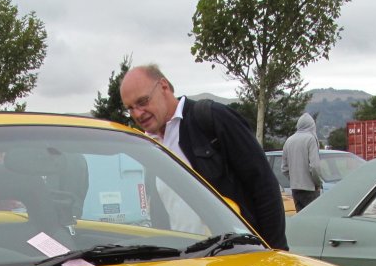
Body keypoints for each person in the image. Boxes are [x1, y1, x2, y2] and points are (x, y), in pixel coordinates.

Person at [119, 63, 287, 249]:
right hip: (186, 265)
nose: (138, 113)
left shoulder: (212, 119)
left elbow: (264, 186)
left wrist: (274, 252)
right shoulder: (150, 146)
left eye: (143, 102)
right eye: (130, 108)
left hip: (238, 257)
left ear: (164, 86)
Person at [281, 112, 322, 212]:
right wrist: (318, 183)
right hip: (310, 189)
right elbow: (315, 167)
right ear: (312, 126)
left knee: (301, 218)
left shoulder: (289, 141)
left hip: (295, 189)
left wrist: (295, 179)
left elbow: (284, 168)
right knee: (313, 220)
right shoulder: (311, 139)